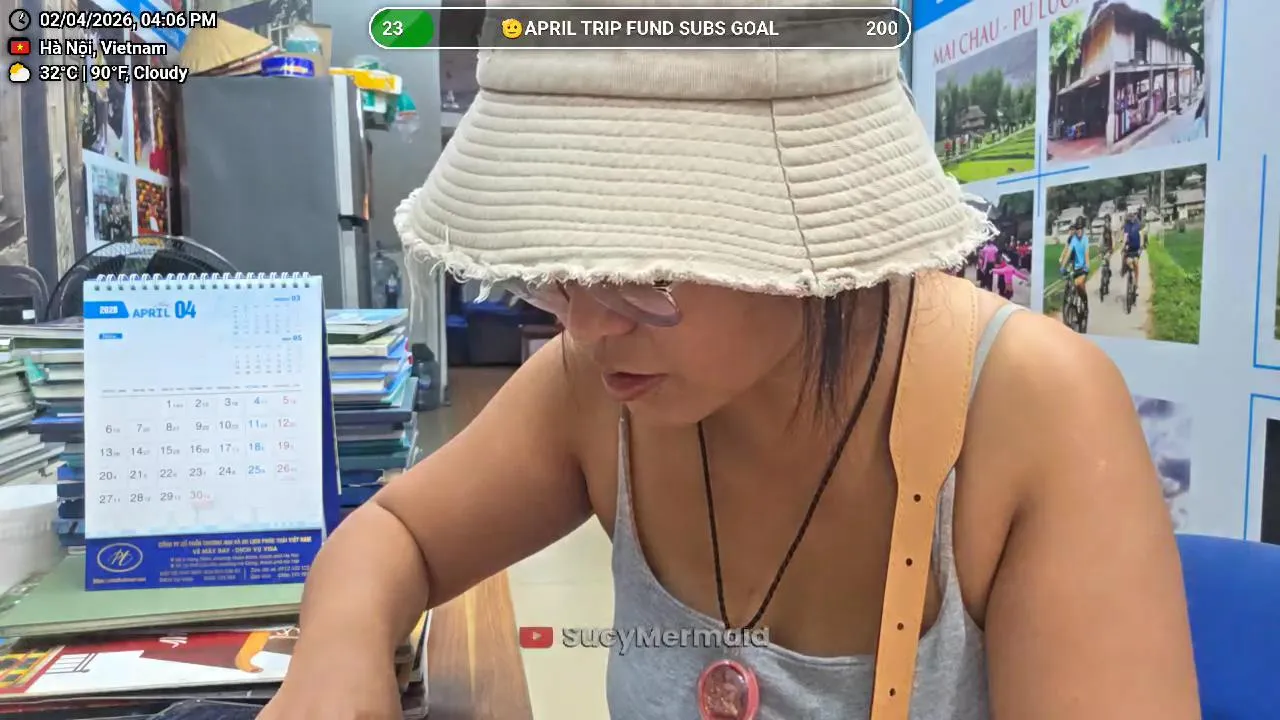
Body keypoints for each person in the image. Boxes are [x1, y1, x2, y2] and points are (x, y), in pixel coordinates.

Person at [259, 11, 1199, 719]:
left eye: (644, 269)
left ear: (806, 226)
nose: (588, 321)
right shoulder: (596, 389)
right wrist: (338, 660)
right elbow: (397, 536)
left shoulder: (1030, 414)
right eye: (556, 268)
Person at [1058, 217, 1091, 314]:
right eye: (1077, 229)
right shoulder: (1074, 239)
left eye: (1080, 229)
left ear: (1083, 229)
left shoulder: (1085, 239)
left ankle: (1085, 303)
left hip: (1083, 268)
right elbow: (1068, 252)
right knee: (1073, 283)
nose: (1079, 231)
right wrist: (1062, 266)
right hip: (1075, 268)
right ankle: (1072, 302)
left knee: (1079, 284)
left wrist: (1087, 266)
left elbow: (1086, 254)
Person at [1123, 212, 1144, 296]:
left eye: (1133, 216)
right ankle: (1129, 274)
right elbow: (1125, 236)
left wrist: (1141, 247)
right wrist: (1123, 246)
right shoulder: (1127, 225)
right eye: (1130, 216)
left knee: (1136, 263)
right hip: (1129, 249)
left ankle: (1136, 283)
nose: (1132, 218)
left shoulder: (1138, 224)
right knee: (1128, 262)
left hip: (1136, 249)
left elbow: (1141, 235)